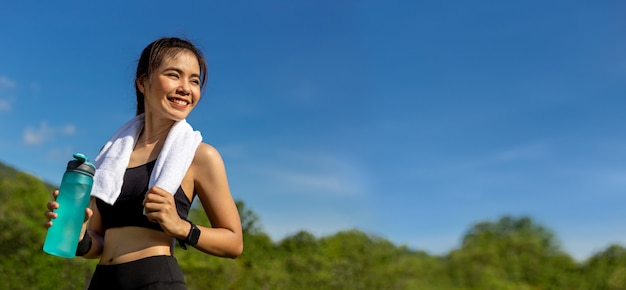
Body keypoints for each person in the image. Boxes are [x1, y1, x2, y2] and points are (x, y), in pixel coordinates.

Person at [44, 37, 243, 289]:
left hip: (155, 280)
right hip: (102, 281)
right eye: (174, 75)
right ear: (142, 82)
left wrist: (182, 227)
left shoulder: (201, 156)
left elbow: (234, 242)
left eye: (194, 80)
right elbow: (99, 241)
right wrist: (79, 236)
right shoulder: (112, 155)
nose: (186, 88)